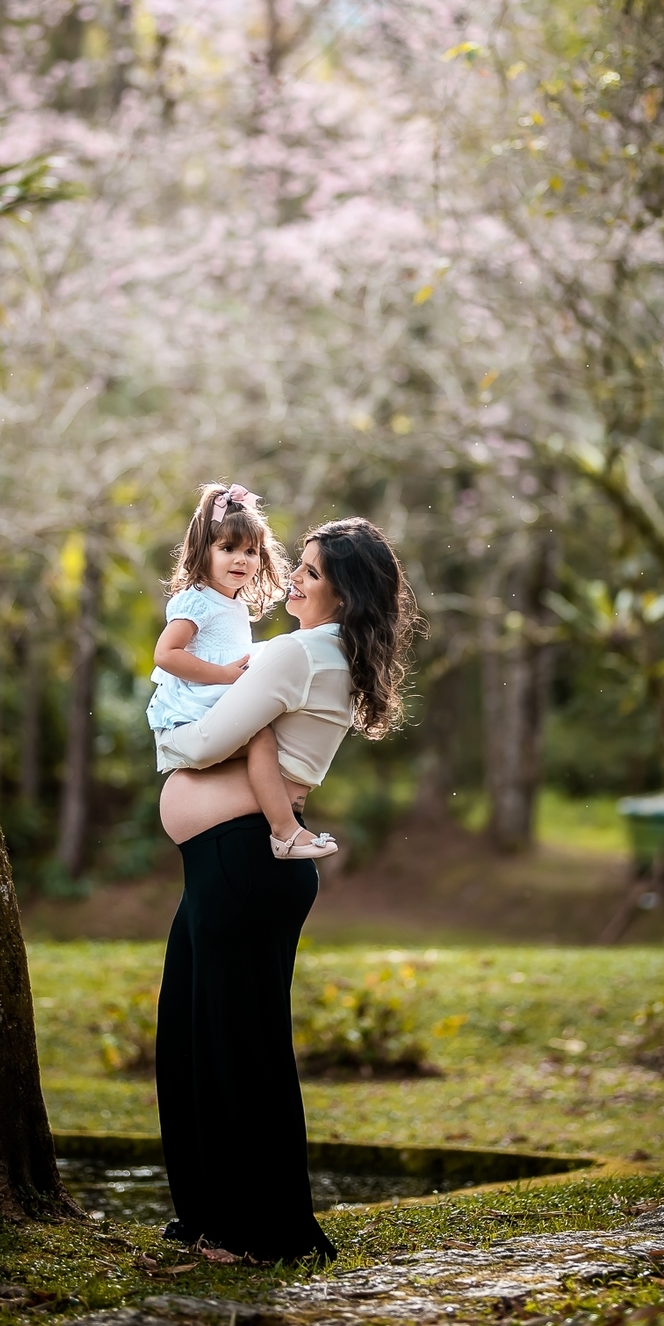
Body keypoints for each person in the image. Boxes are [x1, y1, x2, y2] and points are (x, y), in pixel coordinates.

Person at [154, 515, 420, 1263]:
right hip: (236, 868)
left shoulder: (296, 653)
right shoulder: (332, 653)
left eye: (307, 570)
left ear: (343, 588)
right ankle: (211, 1216)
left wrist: (167, 748)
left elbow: (206, 742)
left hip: (241, 868)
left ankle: (258, 1232)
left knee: (232, 1048)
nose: (291, 579)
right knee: (199, 1040)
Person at [147, 482, 338, 859]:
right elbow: (165, 654)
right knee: (262, 738)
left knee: (267, 732)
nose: (241, 559)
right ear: (203, 553)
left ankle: (279, 820)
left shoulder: (230, 604)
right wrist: (228, 676)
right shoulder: (198, 601)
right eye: (228, 549)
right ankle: (284, 832)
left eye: (251, 551)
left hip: (209, 710)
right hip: (186, 720)